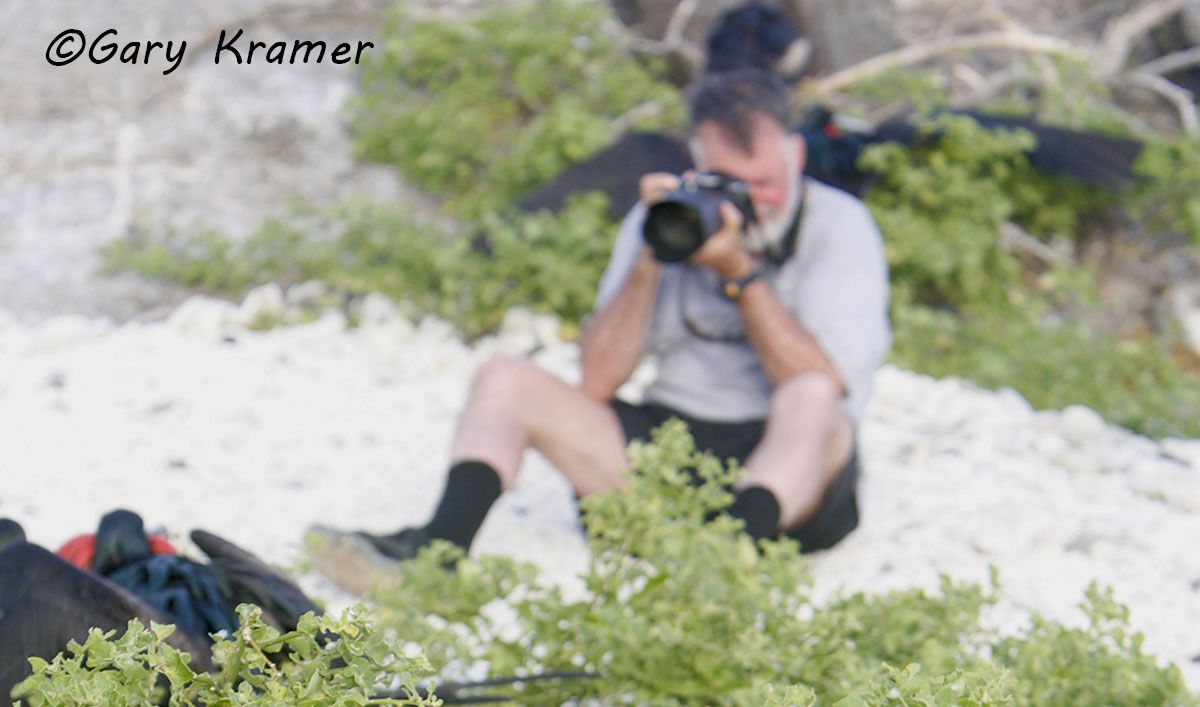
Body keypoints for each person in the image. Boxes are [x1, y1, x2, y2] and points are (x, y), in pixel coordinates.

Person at [310, 68, 890, 587]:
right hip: (667, 450)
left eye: (761, 182)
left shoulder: (840, 226)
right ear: (695, 162)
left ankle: (725, 571)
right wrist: (651, 256)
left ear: (795, 154)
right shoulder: (665, 223)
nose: (746, 200)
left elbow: (824, 382)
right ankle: (435, 557)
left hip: (788, 479)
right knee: (503, 379)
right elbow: (597, 381)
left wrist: (740, 272)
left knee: (812, 396)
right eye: (725, 180)